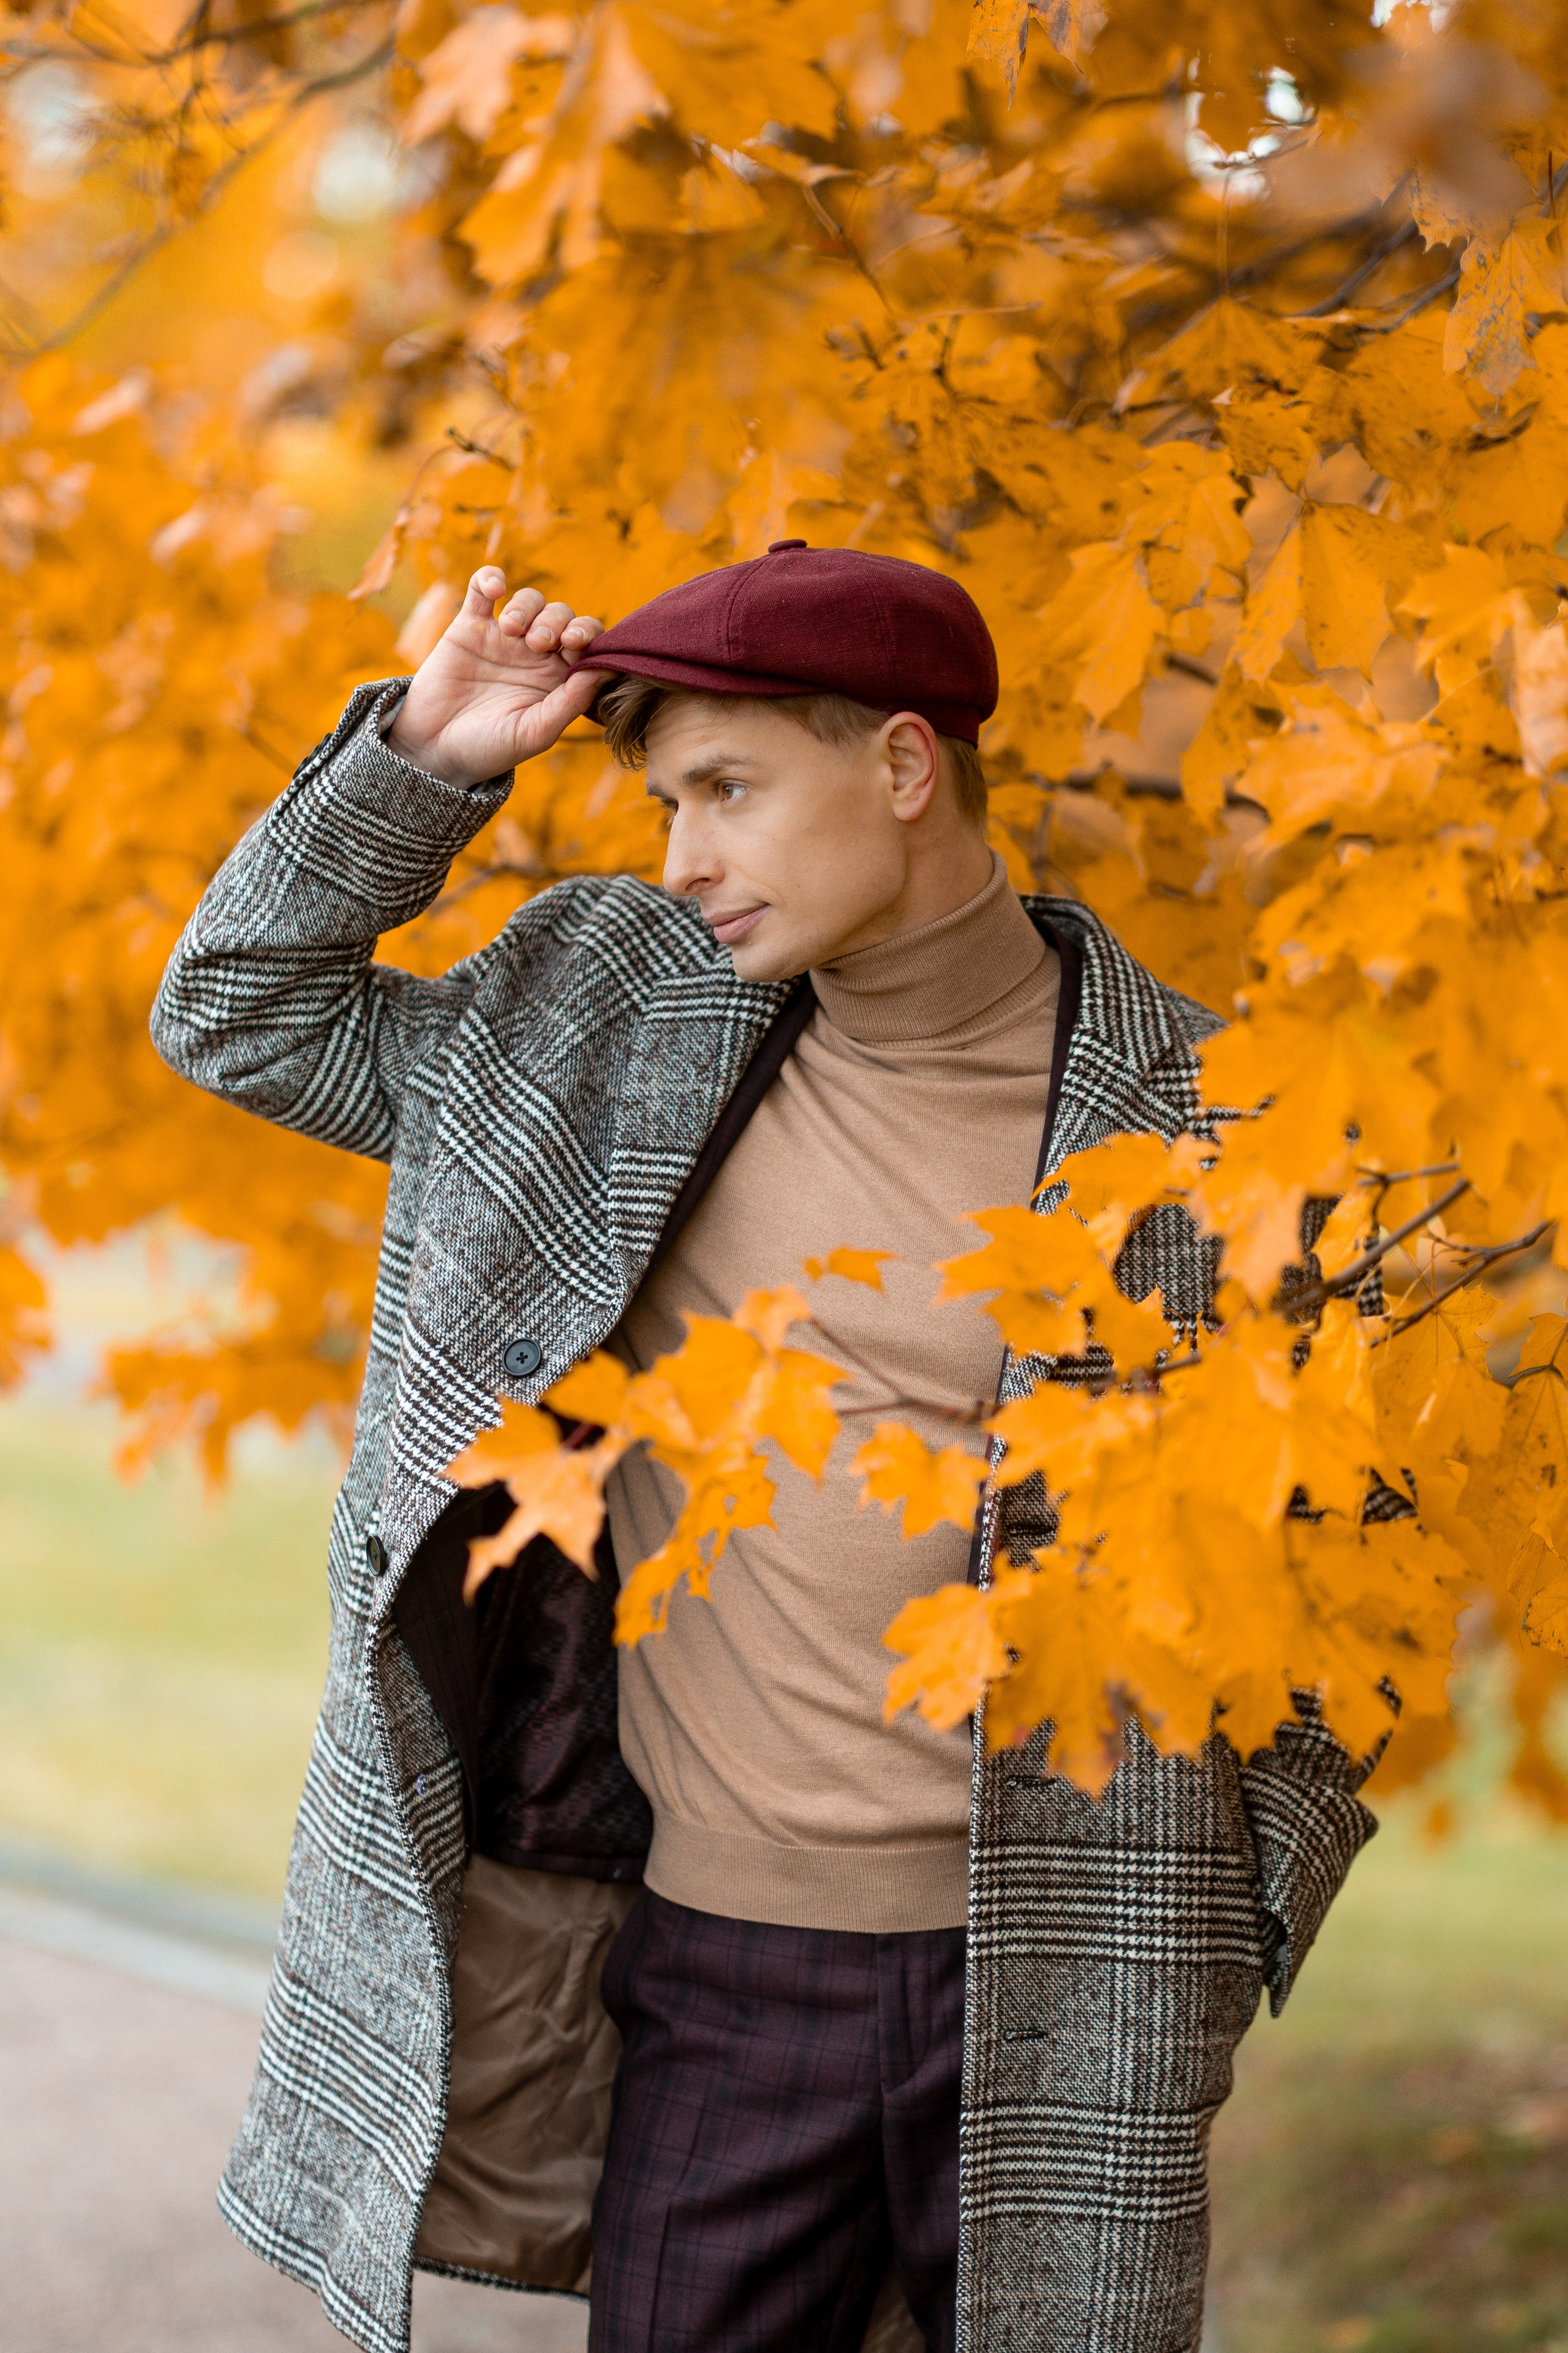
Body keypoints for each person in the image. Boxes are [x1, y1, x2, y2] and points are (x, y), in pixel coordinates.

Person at [151, 543, 1376, 2353]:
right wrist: (427, 757)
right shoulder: (605, 1024)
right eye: (662, 800)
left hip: (1069, 1979)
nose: (682, 855)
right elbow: (240, 1008)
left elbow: (1355, 1561)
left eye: (730, 790)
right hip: (719, 1977)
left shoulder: (1219, 1121)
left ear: (901, 766)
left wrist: (1221, 1929)